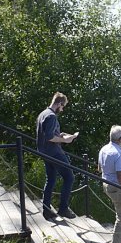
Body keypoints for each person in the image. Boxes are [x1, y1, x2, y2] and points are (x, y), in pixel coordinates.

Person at [36, 92, 78, 220]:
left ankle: (46, 210)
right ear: (59, 103)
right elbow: (49, 137)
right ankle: (63, 209)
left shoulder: (43, 114)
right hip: (54, 152)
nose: (62, 109)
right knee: (69, 177)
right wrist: (65, 140)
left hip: (44, 151)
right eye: (63, 106)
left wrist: (61, 135)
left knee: (51, 179)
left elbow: (47, 134)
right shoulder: (52, 116)